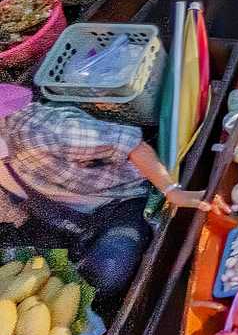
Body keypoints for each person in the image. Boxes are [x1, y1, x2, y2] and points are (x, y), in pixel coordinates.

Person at [0, 85, 225, 295]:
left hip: (118, 200)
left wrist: (170, 189)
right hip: (65, 210)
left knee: (107, 275)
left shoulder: (45, 131)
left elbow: (130, 144)